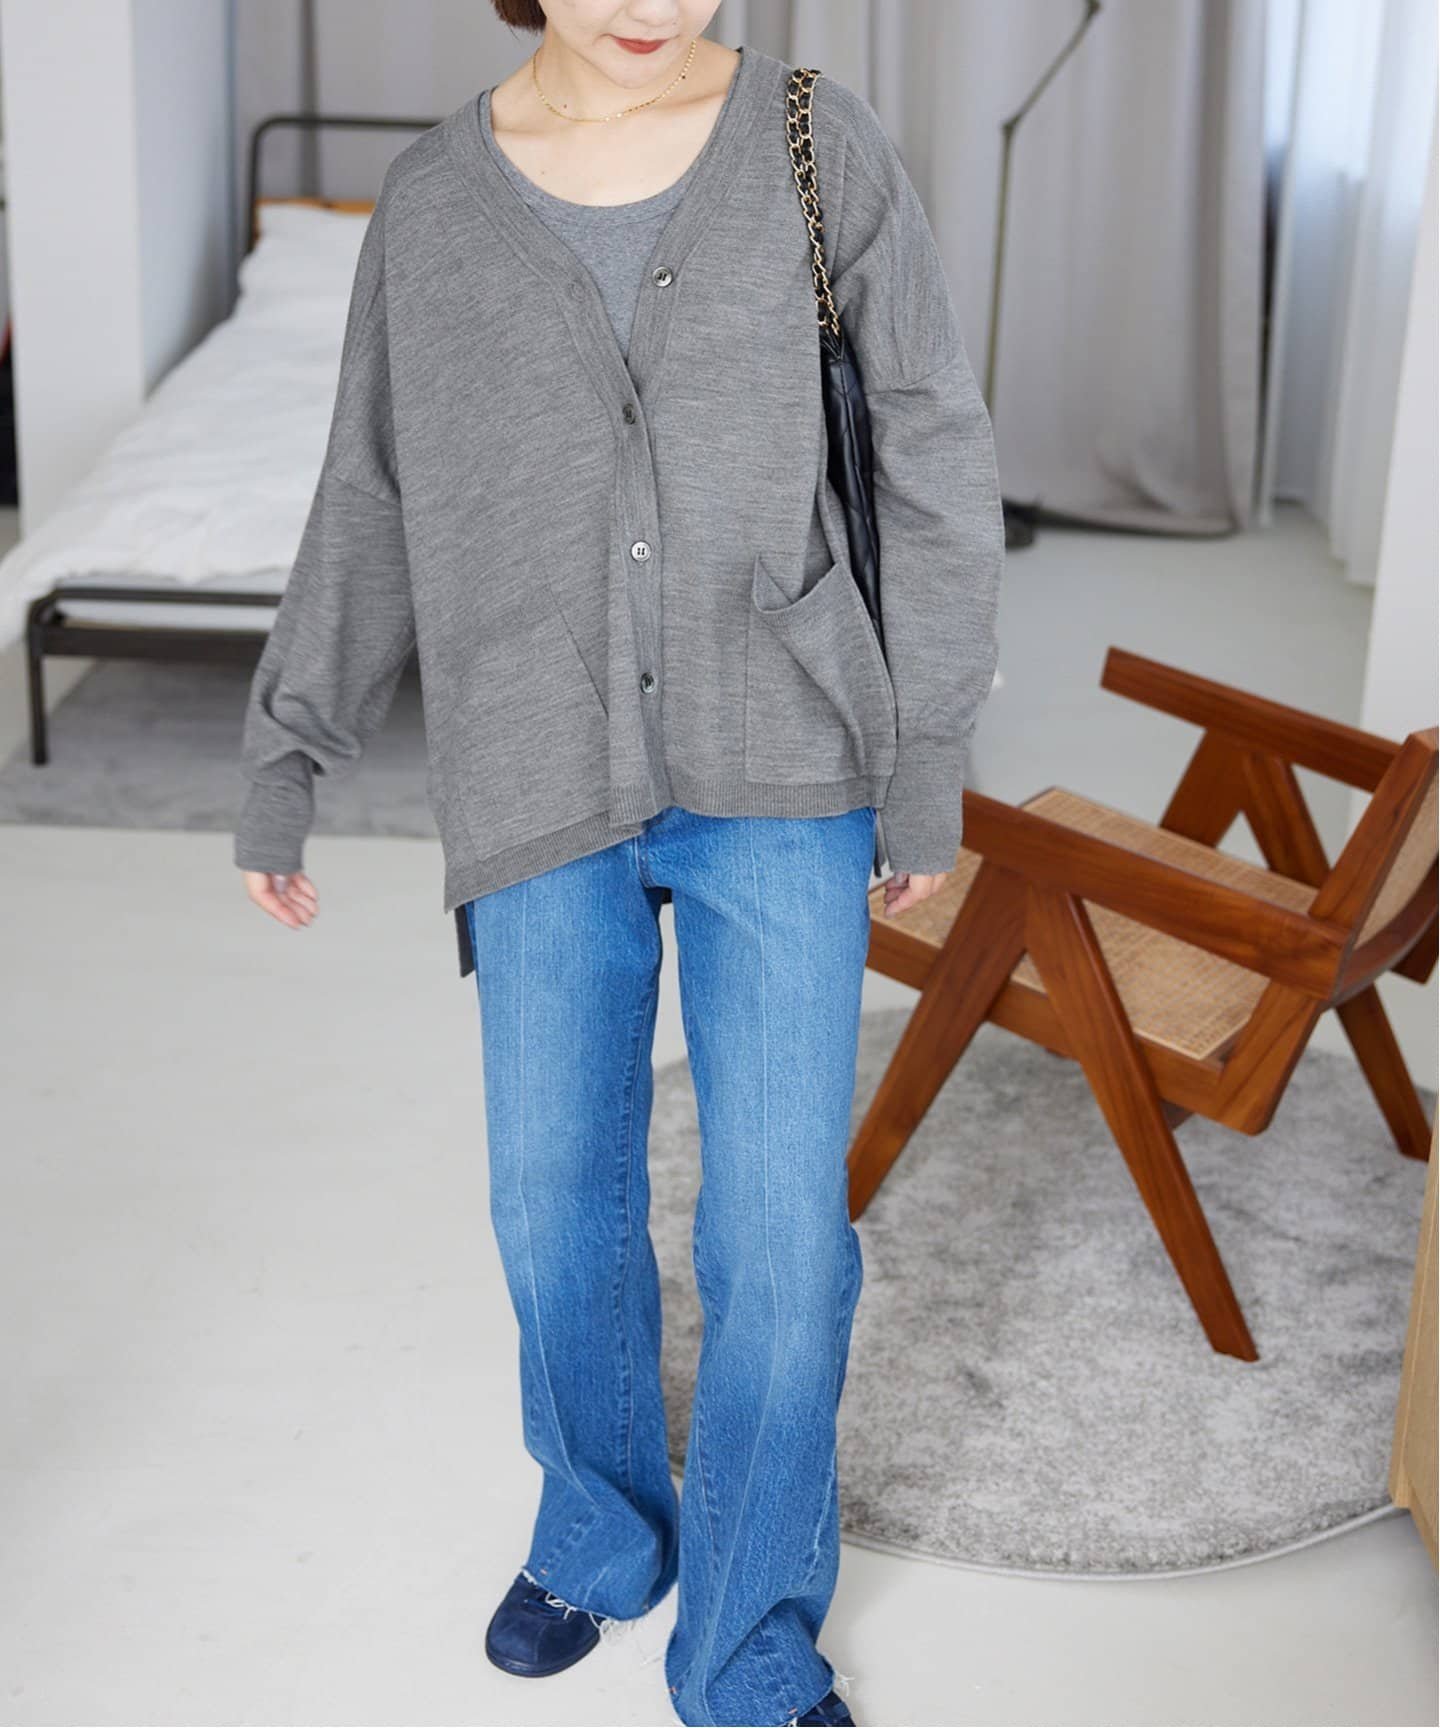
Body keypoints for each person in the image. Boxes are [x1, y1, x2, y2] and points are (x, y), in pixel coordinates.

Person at [233, 4, 1004, 1723]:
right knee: (550, 1199)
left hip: (785, 757)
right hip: (534, 761)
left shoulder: (818, 145)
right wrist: (290, 749)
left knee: (782, 1240)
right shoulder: (438, 200)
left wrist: (926, 765)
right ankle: (597, 1529)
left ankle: (747, 1640)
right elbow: (371, 482)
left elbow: (932, 449)